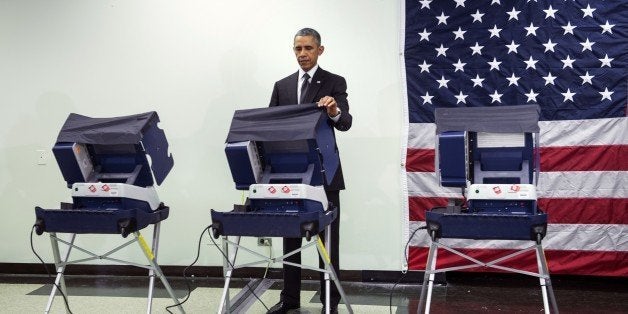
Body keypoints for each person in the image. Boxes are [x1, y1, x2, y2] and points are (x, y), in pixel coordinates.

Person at [267, 28, 352, 314]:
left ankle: (330, 302)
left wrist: (333, 111)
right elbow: (271, 127)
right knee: (289, 238)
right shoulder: (282, 86)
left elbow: (345, 122)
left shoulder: (333, 82)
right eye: (298, 49)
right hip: (289, 173)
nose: (302, 54)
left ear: (320, 50)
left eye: (308, 49)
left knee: (327, 241)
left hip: (324, 173)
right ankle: (289, 300)